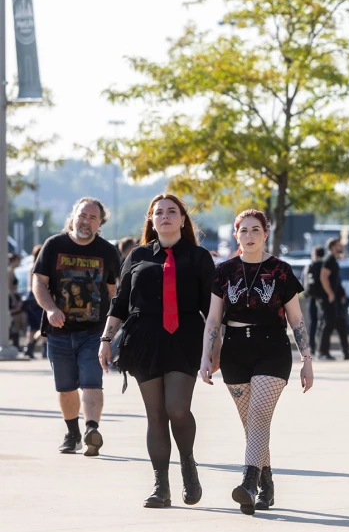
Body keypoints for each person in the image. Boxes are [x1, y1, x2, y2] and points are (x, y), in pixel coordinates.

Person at [99, 193, 215, 508]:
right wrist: (106, 339)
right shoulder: (136, 256)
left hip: (185, 339)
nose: (164, 216)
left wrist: (214, 346)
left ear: (182, 218)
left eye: (171, 211)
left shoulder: (199, 257)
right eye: (158, 212)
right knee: (155, 415)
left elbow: (212, 308)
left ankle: (188, 465)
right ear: (151, 219)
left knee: (177, 408)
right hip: (143, 340)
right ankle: (160, 485)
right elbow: (120, 302)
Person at [200, 209, 314, 515]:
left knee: (260, 416)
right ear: (236, 235)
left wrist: (307, 358)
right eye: (243, 231)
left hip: (272, 348)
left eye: (255, 230)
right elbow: (213, 320)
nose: (249, 236)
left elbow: (296, 319)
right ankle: (267, 484)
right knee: (251, 426)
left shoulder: (281, 271)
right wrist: (206, 357)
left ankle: (248, 484)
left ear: (266, 233)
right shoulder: (223, 271)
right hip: (235, 351)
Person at [32, 198, 121, 455]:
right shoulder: (54, 245)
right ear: (74, 216)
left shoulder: (107, 251)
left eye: (93, 218)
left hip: (94, 333)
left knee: (92, 382)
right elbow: (39, 282)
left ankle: (92, 429)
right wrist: (50, 309)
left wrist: (111, 331)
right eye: (83, 215)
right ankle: (73, 433)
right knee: (66, 386)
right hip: (59, 332)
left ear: (100, 223)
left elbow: (113, 292)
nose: (86, 221)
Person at [317, 238, 349, 361]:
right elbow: (323, 277)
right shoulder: (329, 260)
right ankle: (323, 352)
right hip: (329, 299)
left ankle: (346, 352)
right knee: (328, 325)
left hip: (335, 299)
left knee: (341, 325)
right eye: (339, 245)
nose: (342, 246)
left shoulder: (334, 260)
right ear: (333, 247)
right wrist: (330, 294)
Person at [302, 245, 326, 356]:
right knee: (322, 322)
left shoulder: (309, 266)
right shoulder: (323, 265)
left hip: (311, 297)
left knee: (312, 322)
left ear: (315, 254)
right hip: (322, 297)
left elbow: (303, 282)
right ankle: (321, 346)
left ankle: (312, 345)